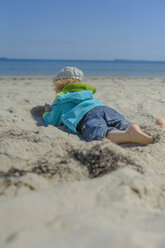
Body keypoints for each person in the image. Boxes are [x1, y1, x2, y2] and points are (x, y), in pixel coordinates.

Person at [42, 67, 165, 145]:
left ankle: (129, 135)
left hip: (85, 116)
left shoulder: (62, 99)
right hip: (103, 108)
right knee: (122, 123)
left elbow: (52, 120)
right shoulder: (85, 93)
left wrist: (46, 112)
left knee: (99, 132)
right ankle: (154, 125)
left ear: (58, 85)